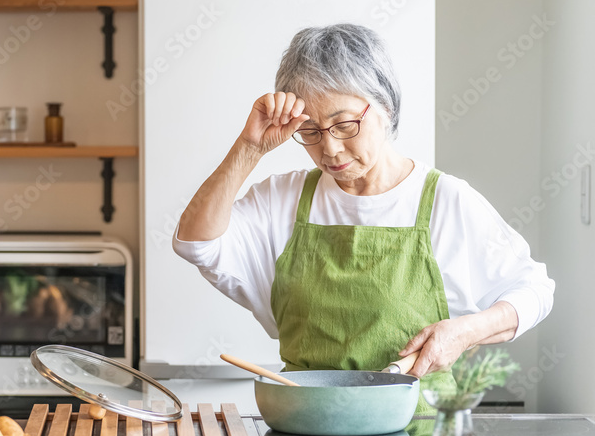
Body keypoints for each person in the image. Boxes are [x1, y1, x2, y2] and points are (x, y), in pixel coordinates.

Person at [173, 23, 554, 411]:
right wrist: (249, 147)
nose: (330, 148)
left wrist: (464, 332)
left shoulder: (445, 201)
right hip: (305, 434)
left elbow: (535, 290)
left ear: (385, 106)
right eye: (310, 131)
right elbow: (195, 241)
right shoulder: (281, 199)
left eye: (344, 124)